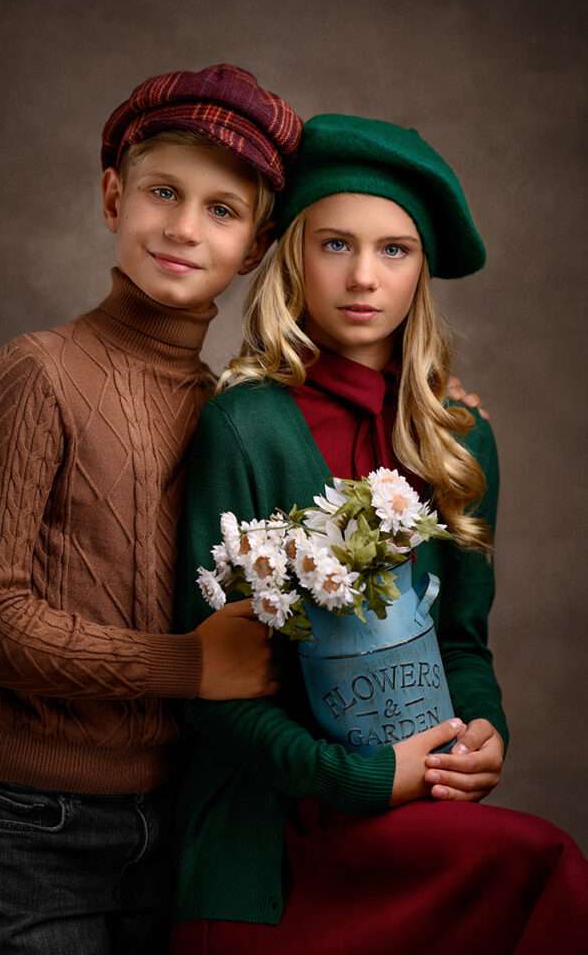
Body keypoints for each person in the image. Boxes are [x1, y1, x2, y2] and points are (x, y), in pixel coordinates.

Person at [170, 114, 588, 954]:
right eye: (334, 245)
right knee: (548, 863)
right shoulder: (242, 426)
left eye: (393, 250)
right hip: (270, 832)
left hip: (413, 802)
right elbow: (210, 689)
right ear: (293, 257)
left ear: (421, 271)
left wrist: (481, 732)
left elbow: (462, 643)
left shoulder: (459, 437)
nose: (363, 277)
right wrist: (356, 776)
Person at [0, 63, 303, 955]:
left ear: (254, 246)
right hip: (29, 820)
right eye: (162, 192)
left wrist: (430, 412)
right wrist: (184, 667)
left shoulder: (228, 408)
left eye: (221, 209)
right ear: (112, 196)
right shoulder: (39, 372)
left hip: (174, 810)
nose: (182, 227)